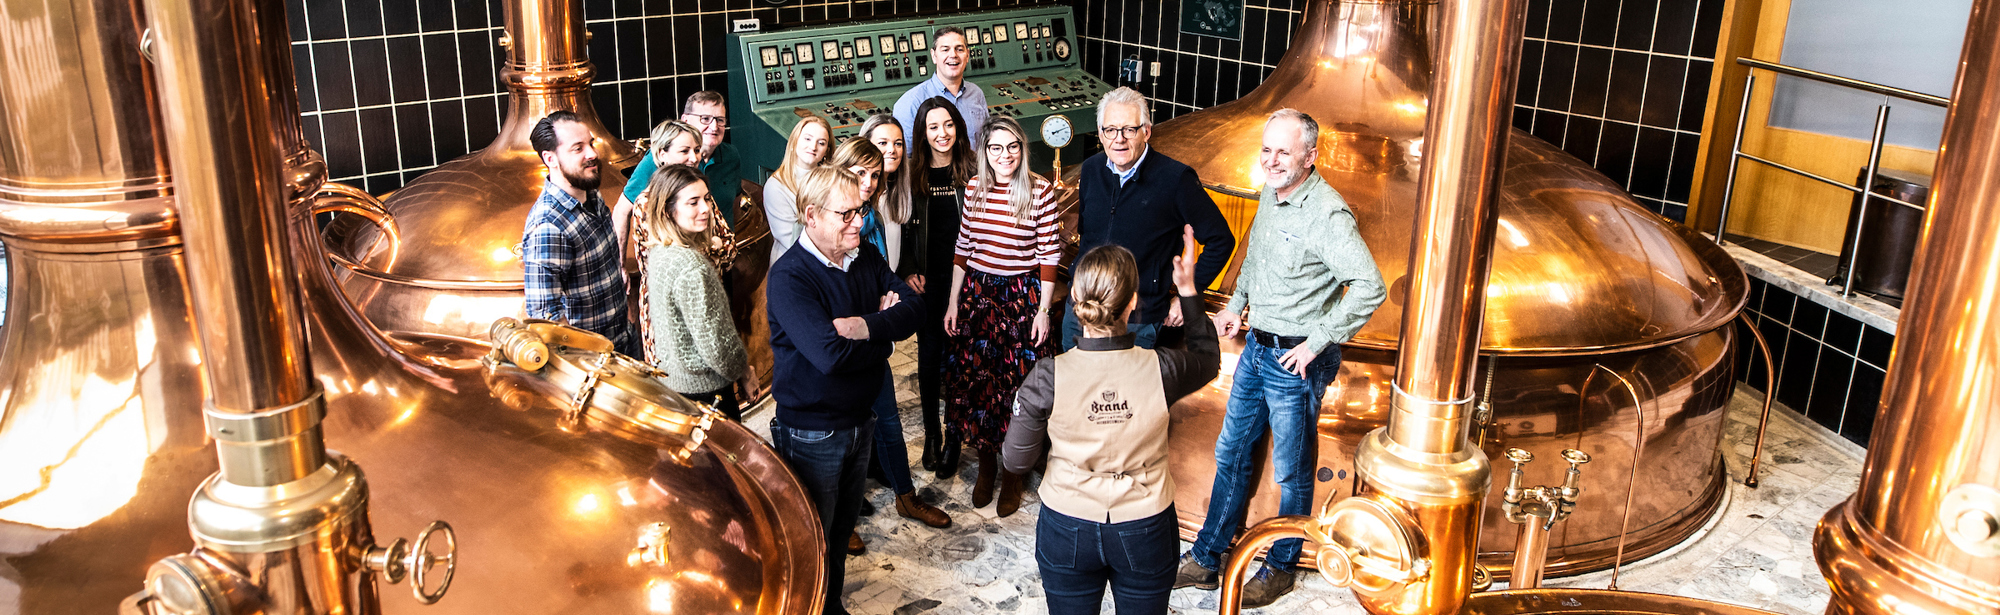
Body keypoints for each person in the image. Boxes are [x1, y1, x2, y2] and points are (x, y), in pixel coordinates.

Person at [1177, 109, 1387, 608]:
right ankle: (1208, 558)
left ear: (1309, 157)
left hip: (1296, 361)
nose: (1271, 161)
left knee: (1291, 473)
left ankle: (1281, 567)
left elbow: (1369, 287)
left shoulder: (1327, 213)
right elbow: (1255, 255)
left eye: (1283, 152)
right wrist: (1235, 303)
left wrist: (1316, 343)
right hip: (1256, 348)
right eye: (1266, 150)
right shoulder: (1273, 193)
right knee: (1232, 452)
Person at [1003, 229, 1219, 615]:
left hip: (1067, 525)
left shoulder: (1047, 376)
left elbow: (1016, 462)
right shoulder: (1163, 367)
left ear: (1074, 299)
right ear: (1134, 302)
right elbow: (1206, 356)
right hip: (1146, 526)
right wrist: (1186, 289)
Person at [766, 166, 923, 615]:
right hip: (814, 431)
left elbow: (916, 307)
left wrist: (866, 327)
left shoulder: (865, 258)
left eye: (861, 210)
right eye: (847, 213)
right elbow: (829, 357)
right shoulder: (791, 278)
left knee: (838, 535)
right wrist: (887, 340)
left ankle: (831, 606)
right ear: (811, 216)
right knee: (811, 542)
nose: (858, 221)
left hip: (860, 421)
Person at [827, 138, 953, 532]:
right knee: (837, 433)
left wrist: (872, 322)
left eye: (874, 175)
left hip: (871, 346)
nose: (867, 182)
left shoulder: (871, 224)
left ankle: (905, 496)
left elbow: (907, 304)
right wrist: (873, 315)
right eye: (859, 173)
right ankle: (836, 518)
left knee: (890, 422)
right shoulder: (821, 232)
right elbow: (830, 311)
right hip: (833, 355)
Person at [941, 116, 1060, 515]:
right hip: (978, 295)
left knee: (1018, 390)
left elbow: (1049, 256)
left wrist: (1044, 311)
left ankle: (1013, 473)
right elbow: (963, 247)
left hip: (1019, 298)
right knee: (977, 386)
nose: (1004, 155)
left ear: (1022, 149)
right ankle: (986, 466)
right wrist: (954, 301)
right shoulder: (975, 187)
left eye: (1012, 147)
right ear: (985, 152)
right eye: (996, 148)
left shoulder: (1040, 190)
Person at [1065, 87, 1235, 351]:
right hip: (1080, 313)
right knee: (1077, 389)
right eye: (1110, 130)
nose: (1118, 139)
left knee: (1125, 392)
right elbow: (1089, 233)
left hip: (1137, 321)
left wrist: (1186, 295)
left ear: (1146, 131)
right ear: (1100, 134)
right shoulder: (1091, 169)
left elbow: (1220, 240)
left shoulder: (1175, 179)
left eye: (1129, 130)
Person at [638, 165, 748, 421]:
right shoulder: (691, 267)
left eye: (707, 199)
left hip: (677, 387)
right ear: (668, 210)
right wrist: (744, 371)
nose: (706, 209)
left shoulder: (660, 251)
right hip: (708, 394)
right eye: (693, 202)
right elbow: (718, 348)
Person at [522, 110, 635, 357]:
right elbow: (546, 320)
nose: (592, 153)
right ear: (550, 159)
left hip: (622, 343)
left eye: (591, 143)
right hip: (593, 365)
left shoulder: (590, 193)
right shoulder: (549, 226)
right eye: (578, 148)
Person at [907, 96, 977, 478]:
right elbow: (900, 227)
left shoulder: (971, 170)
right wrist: (907, 269)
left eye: (948, 125)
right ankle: (932, 434)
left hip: (967, 280)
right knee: (930, 358)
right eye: (933, 127)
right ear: (922, 133)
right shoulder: (912, 174)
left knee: (960, 361)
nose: (942, 133)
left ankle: (954, 437)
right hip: (929, 282)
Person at [617, 92, 745, 228]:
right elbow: (622, 211)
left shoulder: (731, 155)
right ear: (685, 121)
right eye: (705, 119)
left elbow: (735, 204)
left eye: (720, 120)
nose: (714, 127)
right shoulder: (661, 158)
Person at [613, 119, 704, 254]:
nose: (694, 158)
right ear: (662, 154)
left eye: (697, 150)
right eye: (684, 151)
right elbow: (622, 210)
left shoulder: (694, 172)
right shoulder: (647, 194)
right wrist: (620, 265)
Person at [892, 26, 987, 150]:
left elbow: (986, 143)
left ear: (967, 55)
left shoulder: (976, 94)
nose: (953, 55)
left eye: (959, 49)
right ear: (934, 55)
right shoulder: (910, 103)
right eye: (945, 50)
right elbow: (907, 158)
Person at [764, 115, 832, 261]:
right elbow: (792, 240)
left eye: (821, 143)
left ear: (827, 150)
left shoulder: (833, 181)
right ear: (794, 142)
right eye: (807, 139)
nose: (813, 147)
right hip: (793, 264)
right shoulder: (775, 186)